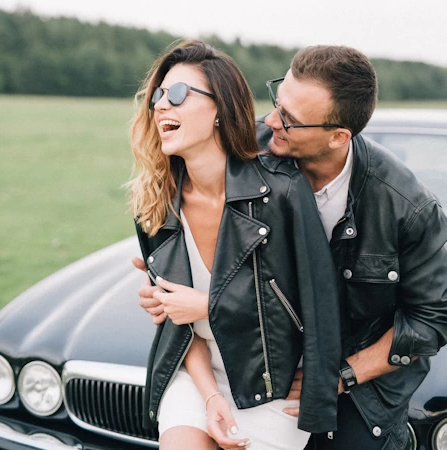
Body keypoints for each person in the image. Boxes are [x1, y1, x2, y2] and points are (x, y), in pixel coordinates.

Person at [134, 44, 447, 450]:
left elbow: (432, 320)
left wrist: (341, 375)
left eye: (291, 120)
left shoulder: (408, 208)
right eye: (277, 103)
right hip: (255, 358)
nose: (270, 121)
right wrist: (165, 285)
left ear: (337, 137)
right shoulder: (249, 149)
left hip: (361, 377)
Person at [129, 40, 342, 450]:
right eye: (158, 95)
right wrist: (209, 397)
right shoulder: (155, 200)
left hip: (272, 384)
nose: (161, 106)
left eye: (177, 95)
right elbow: (178, 320)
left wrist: (208, 306)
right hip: (198, 373)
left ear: (219, 111)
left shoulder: (282, 191)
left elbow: (314, 304)